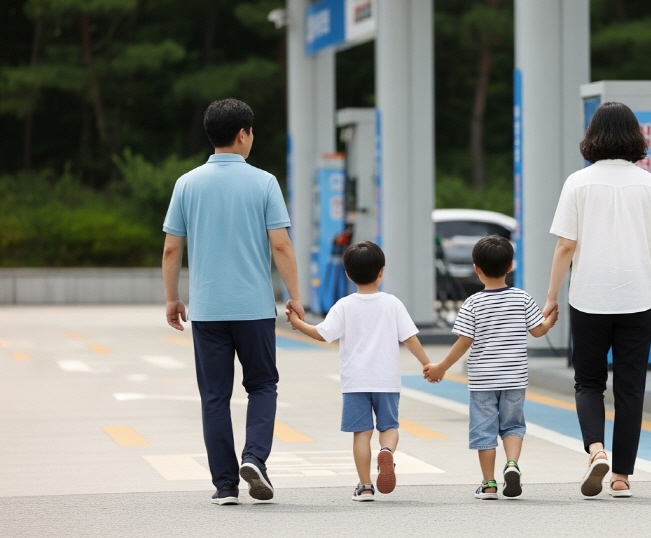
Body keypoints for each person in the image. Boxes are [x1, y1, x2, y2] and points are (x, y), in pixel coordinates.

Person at [162, 98, 303, 505]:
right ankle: (255, 457)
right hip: (254, 308)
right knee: (262, 385)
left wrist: (173, 298)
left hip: (206, 310)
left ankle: (224, 485)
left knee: (214, 397)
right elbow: (281, 245)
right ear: (243, 134)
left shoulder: (187, 183)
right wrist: (294, 297)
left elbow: (172, 249)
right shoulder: (264, 182)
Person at [543, 102, 651, 498]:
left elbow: (566, 245)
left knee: (588, 381)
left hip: (588, 298)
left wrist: (551, 296)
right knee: (631, 387)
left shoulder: (578, 183)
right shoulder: (649, 184)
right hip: (639, 298)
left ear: (593, 135)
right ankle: (621, 476)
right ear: (635, 136)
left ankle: (596, 450)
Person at [286, 241, 433, 502]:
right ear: (382, 272)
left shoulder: (344, 305)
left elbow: (322, 334)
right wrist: (426, 363)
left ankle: (365, 486)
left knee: (362, 433)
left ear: (348, 275)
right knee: (389, 426)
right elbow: (410, 338)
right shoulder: (392, 303)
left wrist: (298, 323)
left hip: (355, 381)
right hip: (386, 380)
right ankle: (386, 450)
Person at [425, 235, 558, 500]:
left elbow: (464, 342)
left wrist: (441, 367)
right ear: (510, 266)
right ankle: (512, 464)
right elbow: (537, 331)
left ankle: (488, 484)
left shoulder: (473, 303)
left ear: (477, 268)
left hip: (483, 381)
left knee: (484, 432)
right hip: (514, 379)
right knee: (512, 427)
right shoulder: (522, 298)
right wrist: (550, 317)